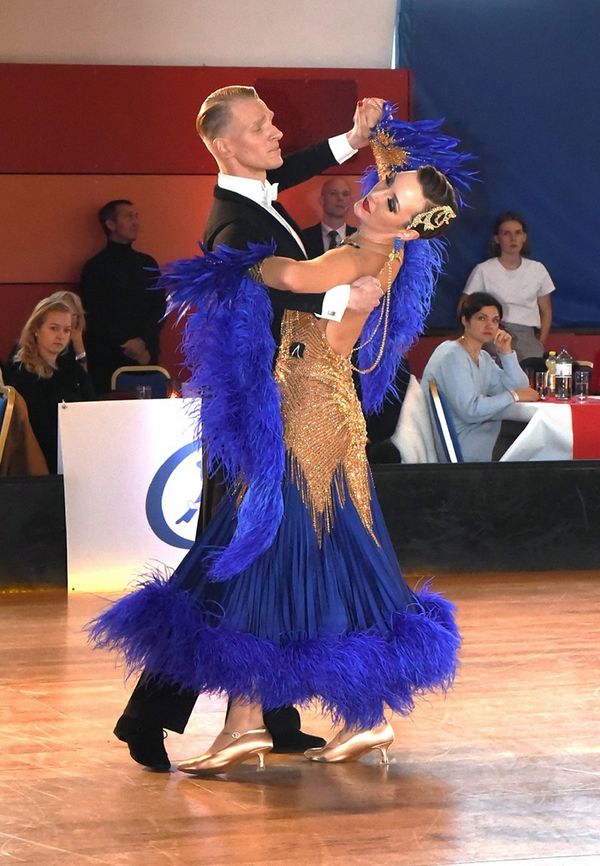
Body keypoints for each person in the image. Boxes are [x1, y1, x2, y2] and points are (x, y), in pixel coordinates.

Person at [90, 105, 471, 775]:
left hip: (298, 417)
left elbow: (291, 281)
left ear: (407, 222)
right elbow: (350, 218)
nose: (277, 133)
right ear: (224, 145)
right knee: (280, 558)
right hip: (282, 410)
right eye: (262, 124)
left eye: (388, 196)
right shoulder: (249, 217)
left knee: (257, 560)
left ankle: (261, 721)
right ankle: (328, 715)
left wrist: (238, 275)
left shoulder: (346, 246)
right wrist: (371, 143)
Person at [422, 292, 538, 462]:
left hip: (483, 433)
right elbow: (471, 411)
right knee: (535, 445)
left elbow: (519, 387)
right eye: (482, 318)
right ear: (465, 320)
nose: (489, 325)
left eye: (495, 320)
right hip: (463, 445)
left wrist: (506, 353)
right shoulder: (451, 355)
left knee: (534, 438)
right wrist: (513, 396)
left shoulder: (483, 358)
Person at [79, 200, 166, 395]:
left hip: (146, 356)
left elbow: (160, 307)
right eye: (128, 217)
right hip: (107, 360)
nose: (135, 222)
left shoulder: (147, 263)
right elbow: (93, 313)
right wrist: (128, 345)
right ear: (111, 224)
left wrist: (144, 341)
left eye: (136, 216)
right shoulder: (95, 268)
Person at [4, 299, 95, 472]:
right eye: (54, 328)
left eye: (66, 330)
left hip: (80, 449)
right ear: (36, 329)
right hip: (46, 462)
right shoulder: (23, 374)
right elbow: (39, 431)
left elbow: (92, 406)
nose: (61, 335)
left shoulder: (72, 369)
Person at [459, 211, 555, 362]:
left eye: (518, 233)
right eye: (506, 233)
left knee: (528, 379)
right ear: (497, 239)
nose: (513, 238)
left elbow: (546, 312)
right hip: (492, 333)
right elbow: (464, 306)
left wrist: (540, 342)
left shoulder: (537, 269)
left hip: (527, 336)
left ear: (524, 237)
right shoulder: (483, 270)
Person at [302, 176, 357, 258]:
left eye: (345, 194)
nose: (340, 198)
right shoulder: (303, 238)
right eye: (333, 193)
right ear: (322, 200)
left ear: (350, 201)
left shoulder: (360, 238)